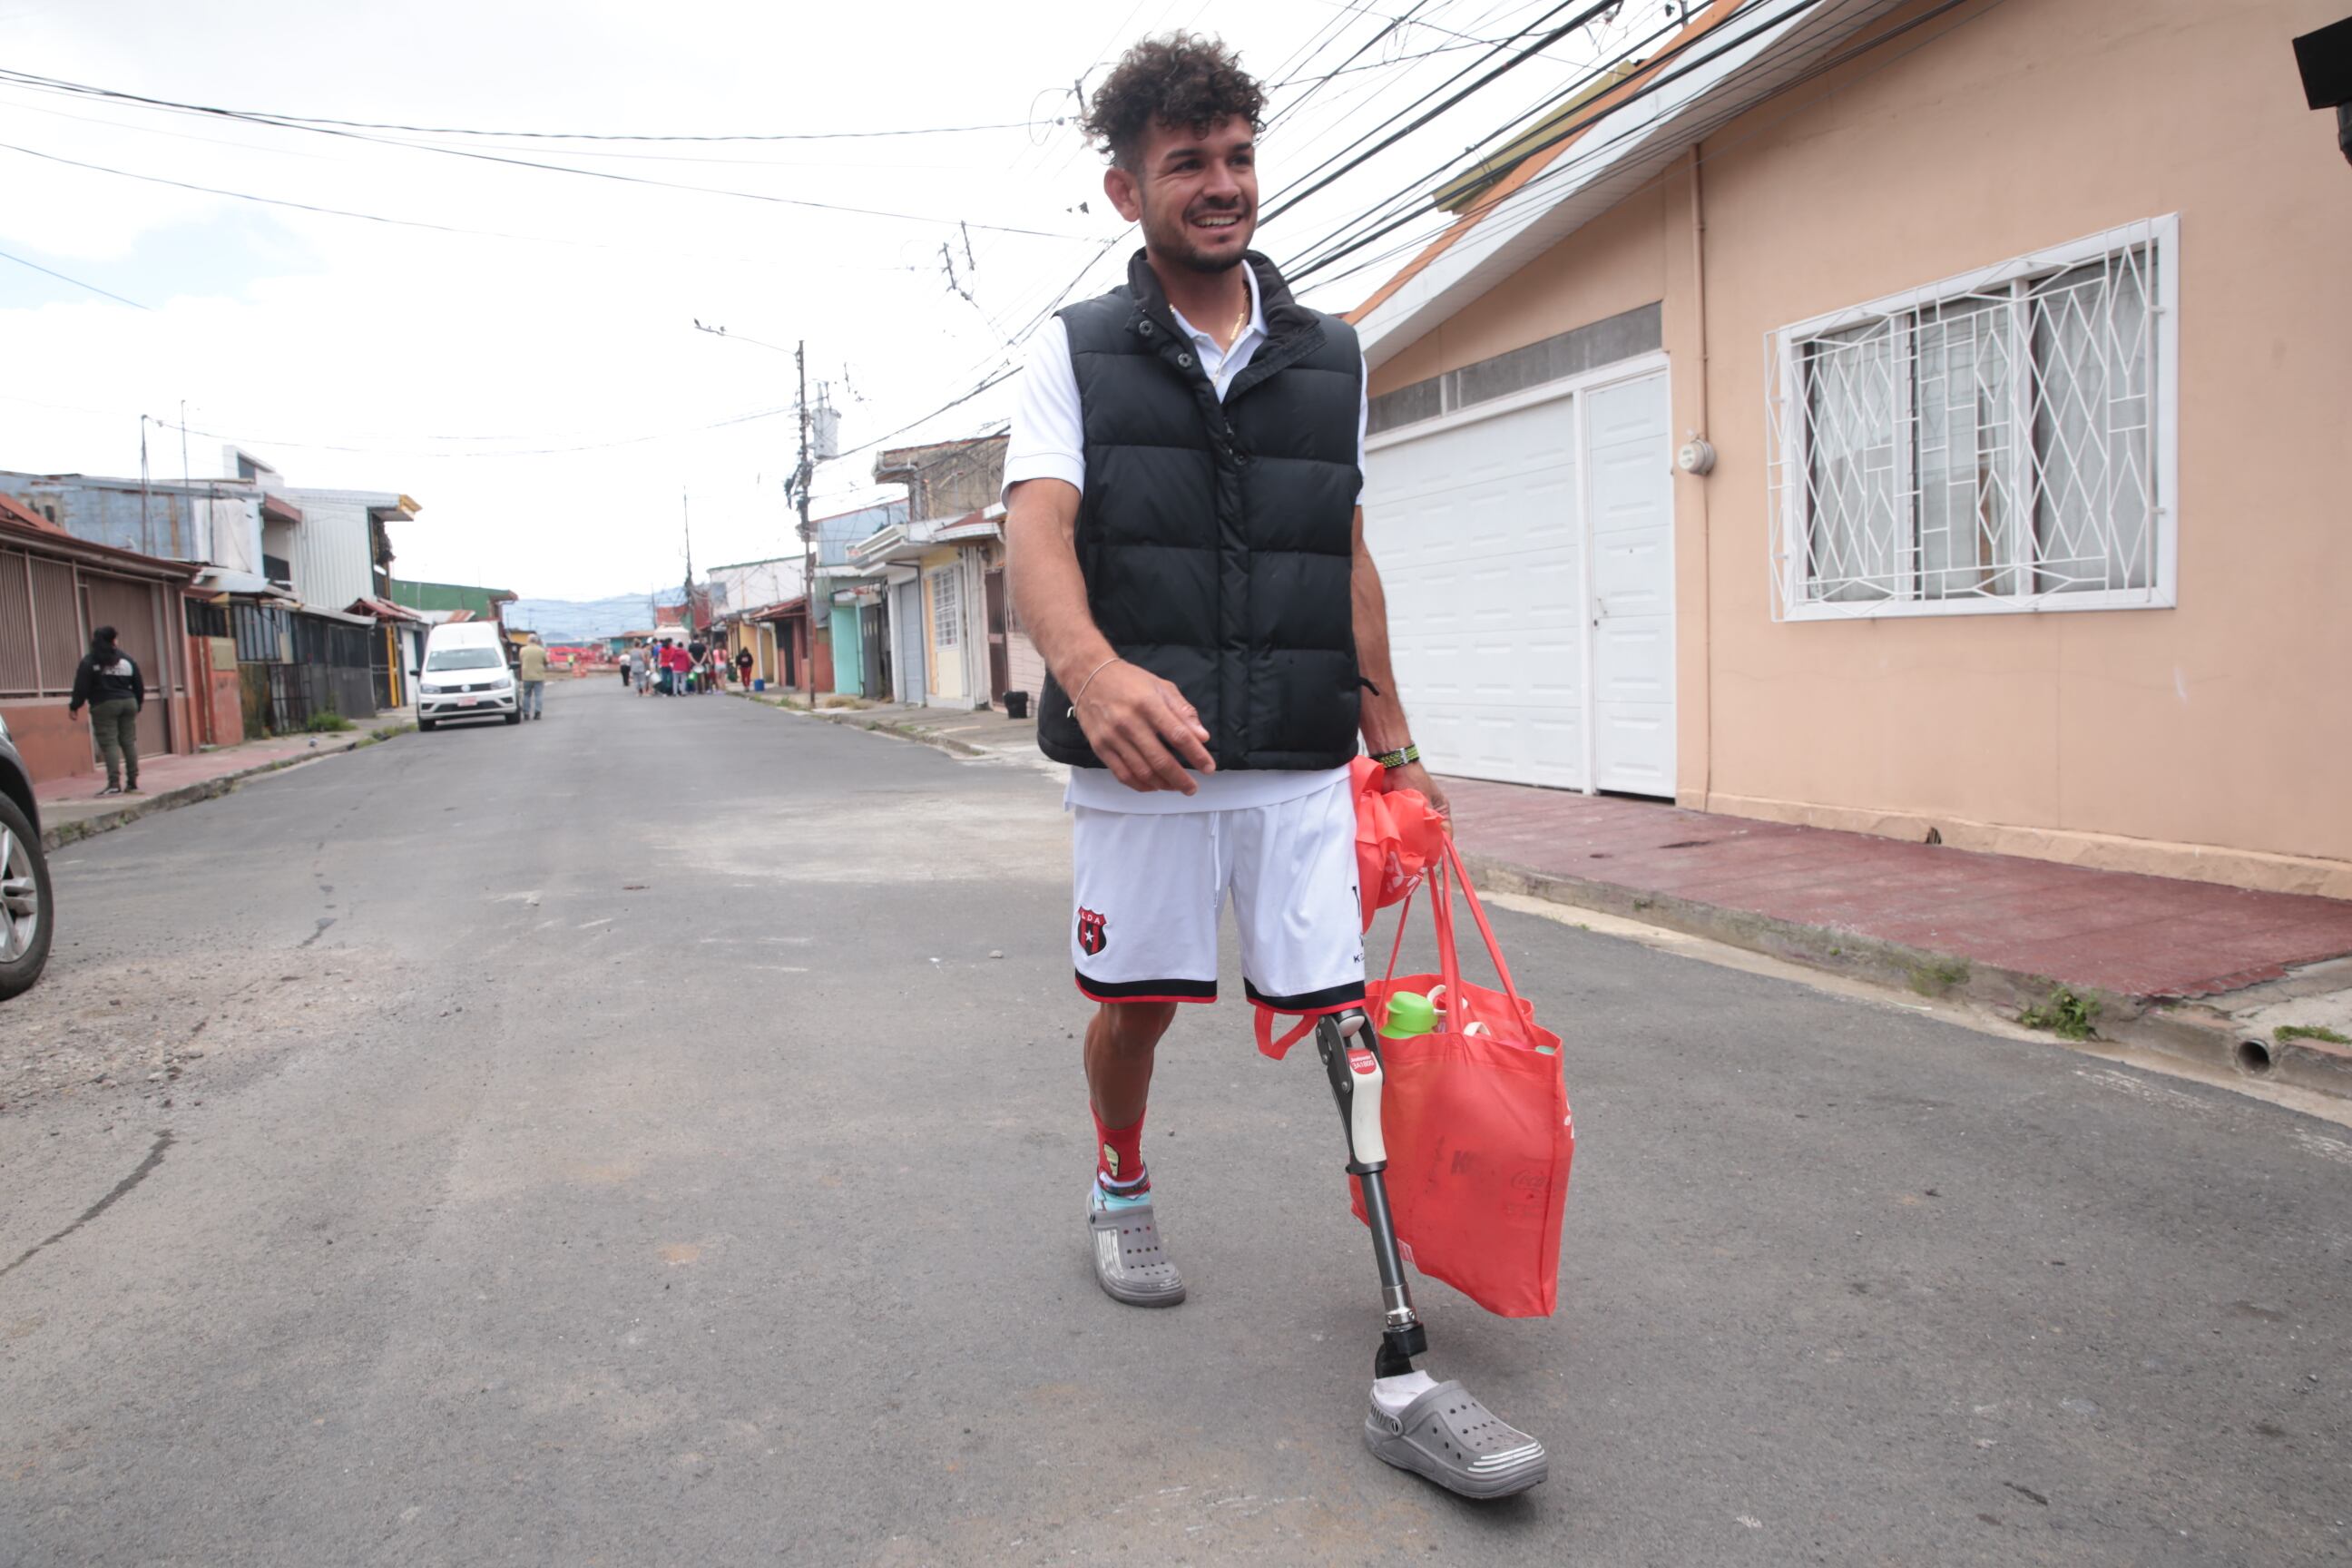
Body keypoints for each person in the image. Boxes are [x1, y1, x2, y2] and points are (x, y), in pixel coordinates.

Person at [1003, 34, 1544, 1500]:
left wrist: (1400, 749)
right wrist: (1096, 671)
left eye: (1236, 156)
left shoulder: (1330, 352)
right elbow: (1036, 530)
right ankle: (1119, 1181)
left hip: (1302, 759)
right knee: (1136, 1007)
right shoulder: (1073, 350)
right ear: (1129, 189)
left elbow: (1343, 552)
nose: (1222, 184)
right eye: (1188, 163)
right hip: (1147, 768)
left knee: (1344, 1027)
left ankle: (1402, 1351)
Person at [66, 625, 143, 797]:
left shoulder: (91, 661)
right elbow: (138, 682)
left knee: (110, 744)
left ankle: (114, 784)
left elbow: (82, 686)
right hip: (128, 701)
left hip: (104, 704)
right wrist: (138, 703)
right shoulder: (126, 659)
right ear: (113, 640)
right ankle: (133, 782)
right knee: (129, 742)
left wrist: (74, 706)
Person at [517, 634, 550, 720]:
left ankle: (526, 713)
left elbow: (521, 661)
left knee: (526, 695)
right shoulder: (541, 650)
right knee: (538, 694)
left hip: (526, 676)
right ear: (536, 641)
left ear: (528, 641)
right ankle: (538, 712)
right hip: (539, 676)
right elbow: (546, 661)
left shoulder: (522, 650)